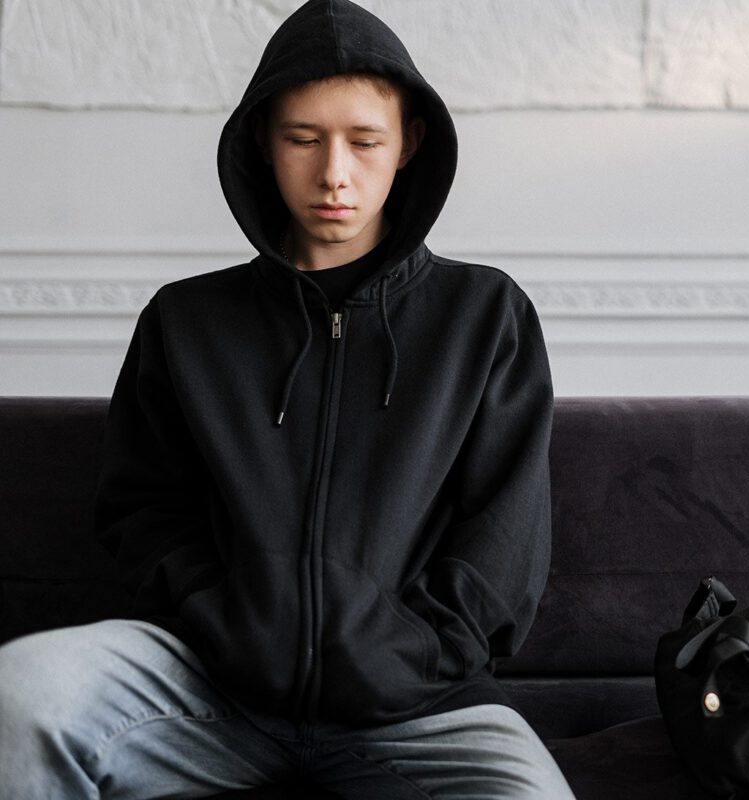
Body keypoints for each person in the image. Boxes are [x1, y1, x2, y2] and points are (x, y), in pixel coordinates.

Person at [0, 0, 574, 797]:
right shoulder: (186, 321)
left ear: (408, 143)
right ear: (264, 144)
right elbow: (141, 508)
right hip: (207, 690)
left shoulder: (485, 317)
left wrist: (412, 654)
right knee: (20, 692)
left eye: (364, 142)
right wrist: (220, 618)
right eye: (303, 139)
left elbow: (504, 541)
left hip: (423, 707)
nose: (334, 173)